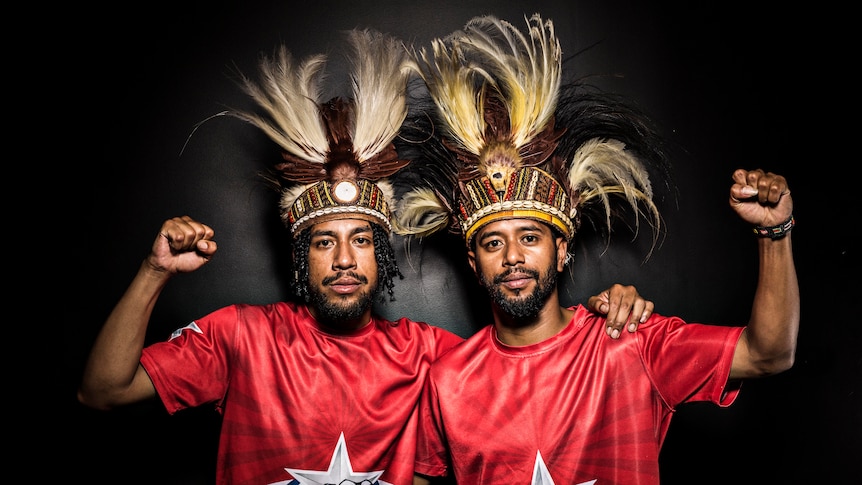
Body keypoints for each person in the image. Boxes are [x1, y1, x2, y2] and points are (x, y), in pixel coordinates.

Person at [77, 28, 655, 485]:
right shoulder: (241, 338)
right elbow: (102, 392)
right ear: (301, 256)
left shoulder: (432, 357)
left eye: (361, 239)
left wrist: (608, 313)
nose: (345, 260)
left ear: (384, 255)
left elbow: (531, 353)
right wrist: (154, 271)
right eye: (325, 242)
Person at [397, 14, 800, 485]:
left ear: (561, 247)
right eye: (492, 242)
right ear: (473, 261)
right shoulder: (447, 379)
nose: (512, 257)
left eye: (530, 237)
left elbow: (770, 353)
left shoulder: (629, 341)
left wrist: (776, 234)